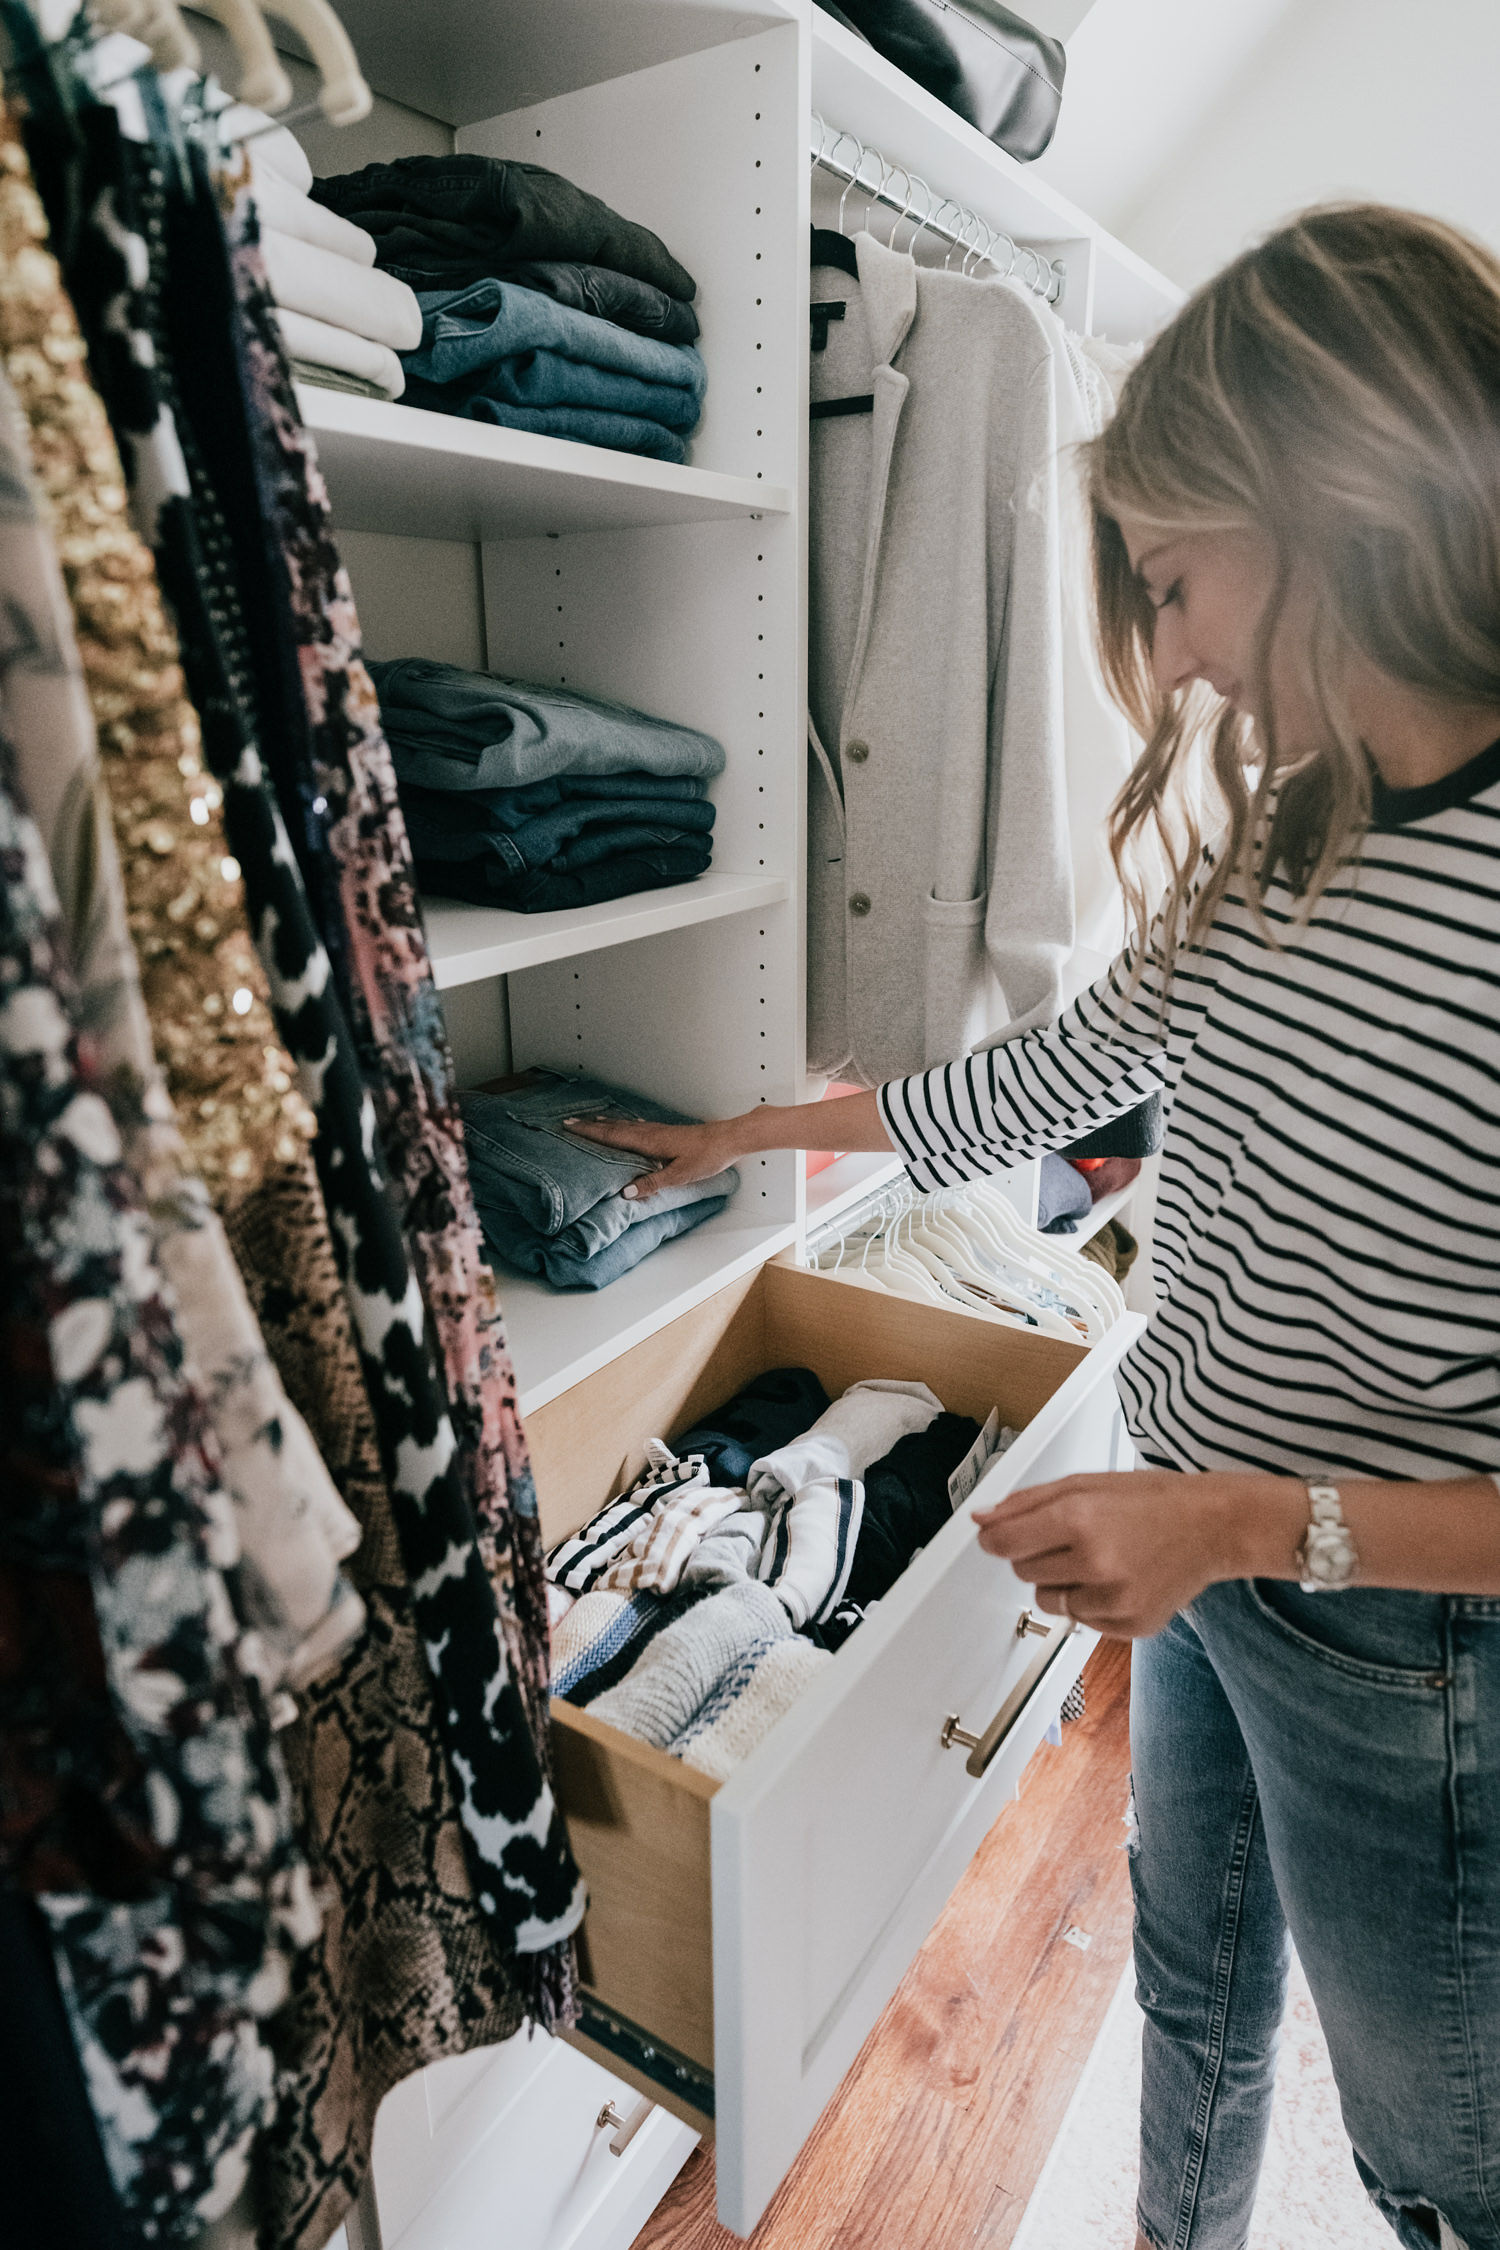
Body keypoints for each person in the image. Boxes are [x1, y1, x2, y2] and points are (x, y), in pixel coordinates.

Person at [569, 205, 1500, 2249]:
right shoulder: (1287, 840)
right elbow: (1036, 1078)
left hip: (1407, 1643)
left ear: (1338, 501)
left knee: (1443, 2165)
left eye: (1175, 583)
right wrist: (758, 1124)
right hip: (1207, 1548)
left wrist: (1250, 1526)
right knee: (1194, 1994)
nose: (1165, 656)